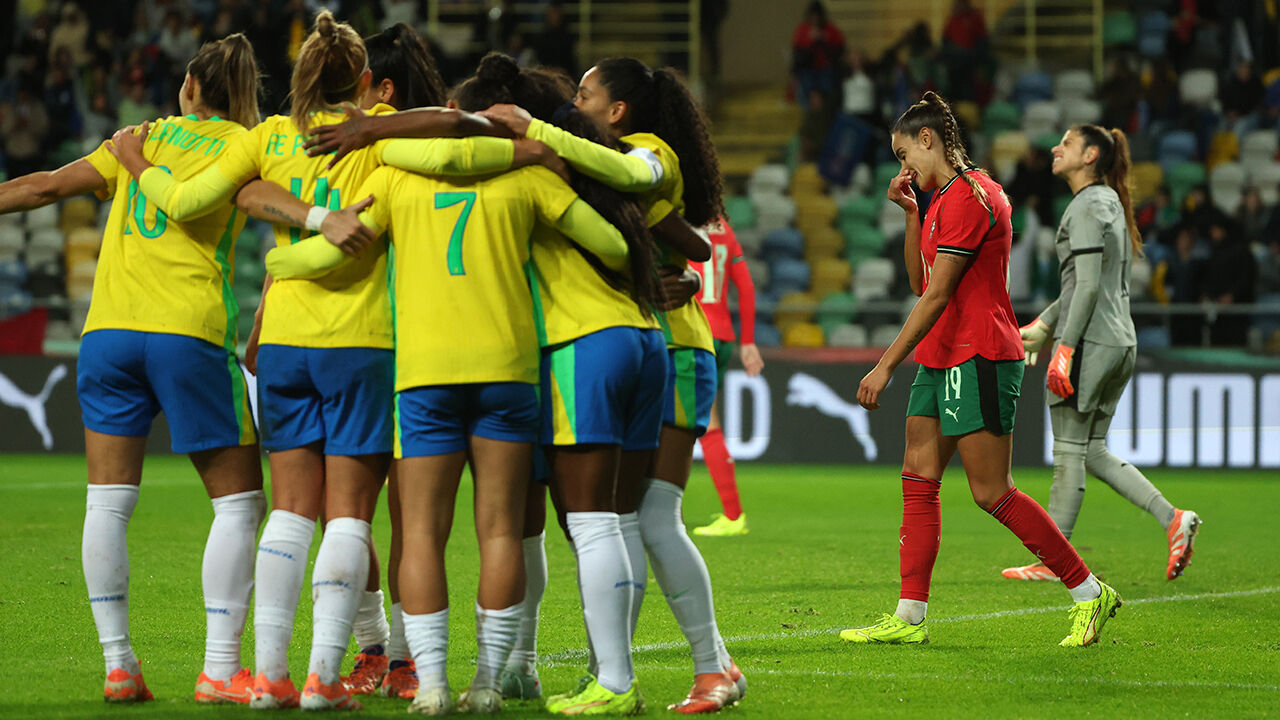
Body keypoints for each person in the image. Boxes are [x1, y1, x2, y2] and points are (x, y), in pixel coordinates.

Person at [107, 12, 524, 710]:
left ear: (299, 75)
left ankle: (271, 675)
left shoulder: (270, 135)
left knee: (292, 512)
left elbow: (203, 197)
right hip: (362, 342)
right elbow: (461, 132)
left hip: (285, 344)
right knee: (350, 515)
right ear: (364, 79)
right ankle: (324, 679)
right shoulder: (383, 131)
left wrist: (139, 163)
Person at [262, 52, 638, 716]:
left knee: (422, 535)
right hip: (507, 371)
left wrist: (278, 260)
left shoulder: (395, 179)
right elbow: (612, 246)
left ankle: (431, 684)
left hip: (425, 376)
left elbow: (321, 254)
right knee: (501, 532)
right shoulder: (527, 176)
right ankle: (488, 683)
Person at [0, 34, 268, 704]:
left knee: (108, 502)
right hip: (187, 331)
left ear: (188, 86)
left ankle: (119, 665)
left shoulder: (139, 138)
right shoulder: (248, 146)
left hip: (107, 334)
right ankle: (219, 669)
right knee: (239, 503)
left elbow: (43, 187)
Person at [841, 92, 1122, 649]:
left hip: (981, 354)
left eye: (903, 154)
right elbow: (920, 282)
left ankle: (1089, 592)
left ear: (927, 140)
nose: (903, 167)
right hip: (942, 354)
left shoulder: (975, 196)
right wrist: (911, 213)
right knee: (918, 475)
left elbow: (939, 294)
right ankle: (909, 616)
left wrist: (884, 365)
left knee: (992, 491)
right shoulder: (939, 200)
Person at [567, 56, 746, 712]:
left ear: (616, 111)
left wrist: (684, 271)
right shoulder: (610, 162)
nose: (574, 103)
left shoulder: (637, 154)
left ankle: (707, 667)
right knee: (626, 519)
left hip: (670, 349)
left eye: (585, 94)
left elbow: (692, 244)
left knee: (645, 517)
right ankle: (644, 668)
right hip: (653, 348)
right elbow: (692, 244)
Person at [1007, 125, 1201, 585]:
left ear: (1090, 155)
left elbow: (1088, 286)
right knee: (1091, 450)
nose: (1056, 148)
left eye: (1067, 144)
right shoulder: (1109, 201)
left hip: (1090, 342)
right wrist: (1045, 325)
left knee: (1068, 450)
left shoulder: (1086, 206)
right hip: (1120, 341)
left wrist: (1064, 348)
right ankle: (1173, 518)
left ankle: (1055, 559)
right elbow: (1083, 283)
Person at [689, 218, 764, 537]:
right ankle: (732, 514)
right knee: (705, 419)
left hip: (691, 332)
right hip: (721, 335)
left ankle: (732, 515)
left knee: (685, 423)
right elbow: (745, 286)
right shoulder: (724, 230)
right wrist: (748, 342)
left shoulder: (677, 222)